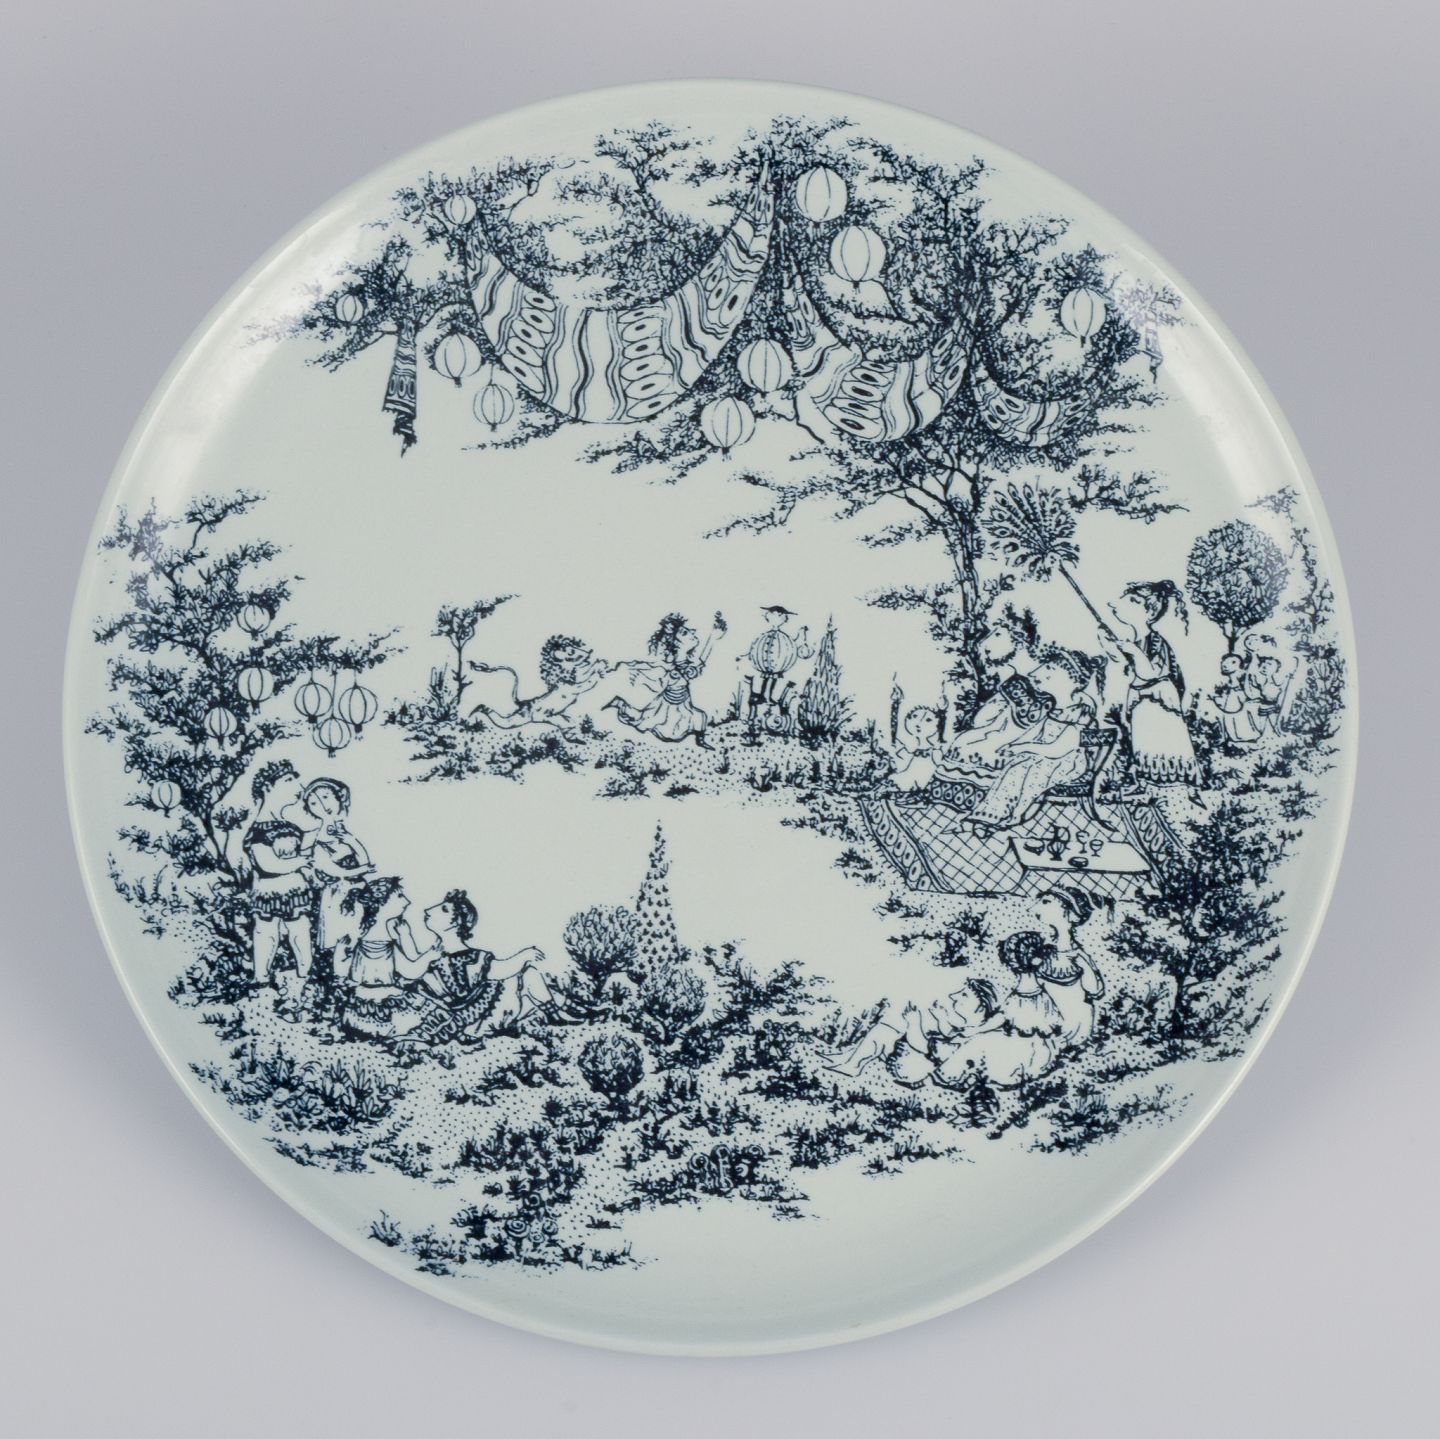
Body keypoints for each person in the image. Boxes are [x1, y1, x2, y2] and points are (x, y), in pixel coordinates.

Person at [388, 889, 582, 1043]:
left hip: (478, 1014)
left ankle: (562, 1012)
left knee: (526, 978)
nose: (429, 910)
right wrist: (405, 934)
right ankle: (558, 1014)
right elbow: (416, 964)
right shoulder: (440, 953)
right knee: (528, 976)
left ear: (455, 923)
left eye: (444, 909)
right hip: (476, 1020)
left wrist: (523, 956)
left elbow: (498, 970)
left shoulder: (469, 957)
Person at [1102, 580, 1201, 788]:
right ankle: (1145, 782)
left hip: (1157, 699)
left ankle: (1176, 782)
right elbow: (1124, 665)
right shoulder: (1134, 640)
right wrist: (1108, 645)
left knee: (1162, 739)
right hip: (1140, 698)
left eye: (1132, 601)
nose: (1119, 604)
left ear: (1149, 612)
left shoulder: (1156, 641)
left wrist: (1134, 652)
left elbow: (1149, 673)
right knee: (1142, 740)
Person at [963, 685, 1092, 834]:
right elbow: (1031, 736)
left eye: (1073, 709)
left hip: (1064, 764)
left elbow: (1055, 750)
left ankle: (1013, 815)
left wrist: (1022, 748)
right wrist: (1012, 746)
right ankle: (990, 815)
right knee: (1014, 770)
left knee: (1031, 774)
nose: (1063, 711)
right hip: (1040, 758)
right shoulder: (1049, 720)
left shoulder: (1074, 730)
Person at [605, 611, 726, 747]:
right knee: (649, 721)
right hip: (669, 705)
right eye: (684, 633)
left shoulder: (685, 664)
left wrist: (713, 637)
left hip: (684, 703)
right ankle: (619, 703)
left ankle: (700, 740)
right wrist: (644, 680)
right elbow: (660, 684)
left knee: (700, 716)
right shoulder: (672, 670)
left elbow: (700, 662)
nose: (692, 633)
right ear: (676, 644)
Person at [243, 760, 315, 988]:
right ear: (267, 787)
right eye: (288, 780)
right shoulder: (259, 831)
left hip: (296, 891)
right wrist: (302, 861)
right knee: (266, 932)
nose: (298, 787)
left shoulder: (291, 827)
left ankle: (306, 973)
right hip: (269, 891)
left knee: (300, 930)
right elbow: (268, 865)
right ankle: (262, 977)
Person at [300, 777, 372, 980]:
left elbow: (364, 860)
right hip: (335, 893)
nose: (322, 806)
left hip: (356, 889)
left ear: (339, 798)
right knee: (337, 935)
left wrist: (352, 842)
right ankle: (335, 978)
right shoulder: (314, 837)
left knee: (357, 930)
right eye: (314, 802)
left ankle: (355, 973)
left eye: (326, 797)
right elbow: (328, 868)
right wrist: (358, 870)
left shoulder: (344, 832)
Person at [1034, 888, 1107, 1048]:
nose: (1036, 907)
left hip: (1075, 1026)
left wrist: (1083, 966)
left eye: (1046, 902)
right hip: (1048, 1022)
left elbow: (1095, 990)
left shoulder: (1077, 956)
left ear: (1072, 914)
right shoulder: (1044, 951)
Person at [743, 605, 814, 720]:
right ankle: (765, 696)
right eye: (773, 615)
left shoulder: (783, 638)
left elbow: (792, 646)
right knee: (768, 679)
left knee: (772, 679)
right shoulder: (766, 636)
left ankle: (767, 696)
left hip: (777, 664)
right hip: (766, 663)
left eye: (780, 616)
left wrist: (802, 634)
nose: (778, 618)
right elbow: (756, 647)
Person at [1214, 652, 1262, 745]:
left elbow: (1243, 697)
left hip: (1237, 701)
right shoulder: (1229, 682)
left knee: (1239, 717)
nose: (1225, 665)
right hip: (1232, 700)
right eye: (1224, 662)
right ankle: (1233, 737)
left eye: (1233, 662)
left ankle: (1246, 736)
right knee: (1230, 717)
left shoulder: (1242, 681)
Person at [890, 706, 941, 792]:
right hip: (910, 777)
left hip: (926, 779)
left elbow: (939, 766)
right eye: (915, 716)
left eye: (928, 720)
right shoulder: (912, 746)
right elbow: (902, 758)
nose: (919, 723)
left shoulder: (934, 751)